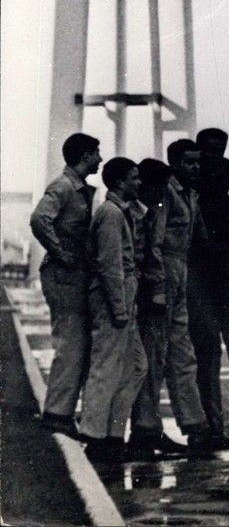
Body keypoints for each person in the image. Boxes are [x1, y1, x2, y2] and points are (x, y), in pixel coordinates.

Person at [29, 131, 101, 438]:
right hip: (63, 277)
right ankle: (57, 414)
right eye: (96, 153)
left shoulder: (80, 189)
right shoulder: (63, 187)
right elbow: (39, 219)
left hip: (74, 276)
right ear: (85, 156)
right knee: (70, 343)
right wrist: (62, 254)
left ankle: (62, 411)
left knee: (76, 344)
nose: (100, 158)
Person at [78, 157, 148, 458]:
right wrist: (119, 309)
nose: (139, 183)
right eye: (134, 178)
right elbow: (110, 266)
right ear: (120, 182)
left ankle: (113, 433)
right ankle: (95, 437)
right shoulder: (110, 214)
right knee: (106, 366)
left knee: (135, 366)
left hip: (122, 297)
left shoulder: (120, 212)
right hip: (112, 298)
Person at [155, 139, 216, 453]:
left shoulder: (192, 195)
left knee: (182, 351)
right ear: (175, 162)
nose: (196, 167)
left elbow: (201, 238)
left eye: (197, 162)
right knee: (157, 353)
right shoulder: (166, 193)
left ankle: (195, 425)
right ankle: (147, 428)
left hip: (181, 272)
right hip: (163, 270)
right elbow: (155, 239)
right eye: (189, 162)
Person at [127, 159, 188, 458]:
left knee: (154, 360)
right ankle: (144, 429)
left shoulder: (145, 209)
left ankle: (147, 427)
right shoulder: (146, 211)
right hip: (151, 291)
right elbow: (152, 251)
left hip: (150, 288)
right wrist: (159, 291)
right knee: (150, 360)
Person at [188, 128, 229, 448]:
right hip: (208, 285)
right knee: (212, 355)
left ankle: (220, 425)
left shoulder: (214, 198)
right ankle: (214, 427)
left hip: (220, 284)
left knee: (223, 355)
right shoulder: (196, 200)